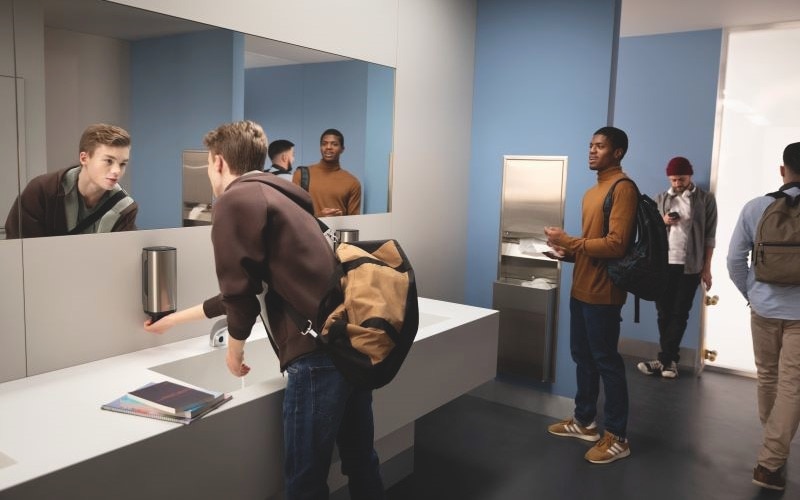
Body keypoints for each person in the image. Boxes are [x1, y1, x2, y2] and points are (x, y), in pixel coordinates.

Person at [144, 120, 384, 500]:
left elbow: (240, 295)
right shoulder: (284, 197)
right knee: (360, 460)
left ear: (219, 162)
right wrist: (173, 320)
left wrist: (234, 351)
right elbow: (252, 286)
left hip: (315, 359)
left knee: (305, 480)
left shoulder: (236, 201)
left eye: (208, 164)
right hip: (347, 345)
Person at [543, 126, 637, 464]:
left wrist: (569, 241)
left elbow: (616, 244)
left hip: (604, 293)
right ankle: (585, 421)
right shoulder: (591, 192)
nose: (592, 151)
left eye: (600, 146)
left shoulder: (623, 188)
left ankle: (617, 436)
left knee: (606, 361)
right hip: (581, 286)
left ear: (618, 152)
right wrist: (566, 253)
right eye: (591, 145)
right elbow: (592, 245)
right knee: (582, 356)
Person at [727, 142, 800, 491]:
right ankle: (771, 462)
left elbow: (733, 261)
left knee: (768, 377)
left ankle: (773, 451)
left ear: (782, 170)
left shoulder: (756, 206)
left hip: (764, 310)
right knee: (793, 385)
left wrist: (752, 295)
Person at [637, 156, 717, 379]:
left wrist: (707, 267)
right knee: (663, 313)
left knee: (679, 313)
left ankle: (665, 360)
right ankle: (668, 361)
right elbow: (648, 232)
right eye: (673, 179)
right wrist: (662, 221)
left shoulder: (705, 200)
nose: (677, 183)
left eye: (680, 179)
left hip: (690, 266)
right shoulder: (660, 198)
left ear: (689, 175)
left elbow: (710, 237)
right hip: (662, 265)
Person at [4, 123, 137, 238]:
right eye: (109, 161)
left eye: (122, 164)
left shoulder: (126, 209)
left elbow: (118, 259)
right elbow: (19, 250)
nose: (117, 171)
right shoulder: (40, 191)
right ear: (84, 158)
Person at [292, 128, 361, 217]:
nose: (328, 147)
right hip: (309, 230)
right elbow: (293, 213)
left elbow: (354, 221)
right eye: (324, 144)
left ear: (342, 149)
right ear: (320, 147)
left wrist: (339, 219)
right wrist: (319, 217)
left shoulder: (352, 183)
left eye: (334, 144)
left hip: (337, 230)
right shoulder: (301, 175)